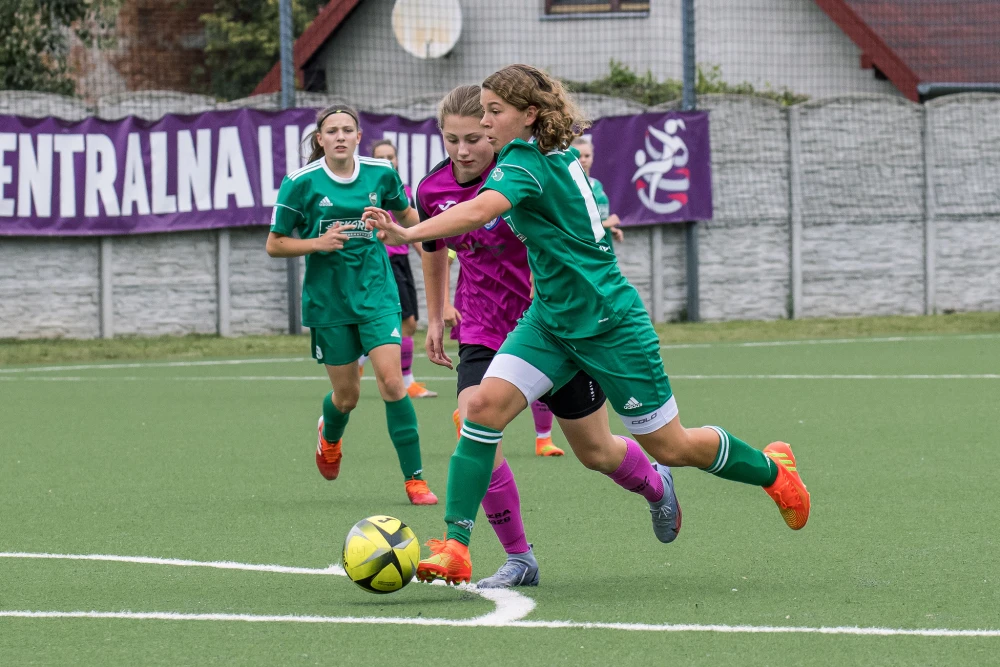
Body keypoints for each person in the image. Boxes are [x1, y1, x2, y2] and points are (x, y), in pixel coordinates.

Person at [366, 65, 810, 585]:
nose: (483, 124)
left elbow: (479, 210)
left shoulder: (528, 162)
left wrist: (408, 232)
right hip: (549, 321)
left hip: (608, 323)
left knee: (671, 447)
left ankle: (773, 469)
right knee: (480, 410)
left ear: (529, 114)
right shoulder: (532, 153)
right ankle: (456, 546)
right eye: (479, 114)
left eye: (493, 112)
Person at [266, 103, 438, 506]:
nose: (340, 136)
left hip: (377, 293)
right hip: (328, 302)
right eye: (332, 131)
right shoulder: (300, 183)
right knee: (347, 397)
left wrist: (407, 232)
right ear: (320, 139)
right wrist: (317, 243)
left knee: (393, 383)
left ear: (359, 137)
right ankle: (329, 435)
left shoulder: (382, 174)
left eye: (347, 130)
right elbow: (275, 244)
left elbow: (409, 218)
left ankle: (415, 480)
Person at [357, 139, 437, 399]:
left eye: (390, 156)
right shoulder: (370, 190)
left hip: (402, 262)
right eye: (380, 157)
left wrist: (429, 254)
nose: (387, 161)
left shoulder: (404, 191)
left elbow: (412, 229)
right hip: (384, 262)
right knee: (406, 322)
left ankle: (362, 360)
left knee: (408, 324)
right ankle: (406, 381)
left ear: (398, 160)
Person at [571, 136, 623, 251]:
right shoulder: (570, 187)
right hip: (588, 251)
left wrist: (611, 230)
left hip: (606, 247)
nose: (583, 160)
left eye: (587, 156)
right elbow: (574, 225)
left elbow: (597, 216)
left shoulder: (597, 184)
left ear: (592, 157)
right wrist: (607, 223)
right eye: (578, 156)